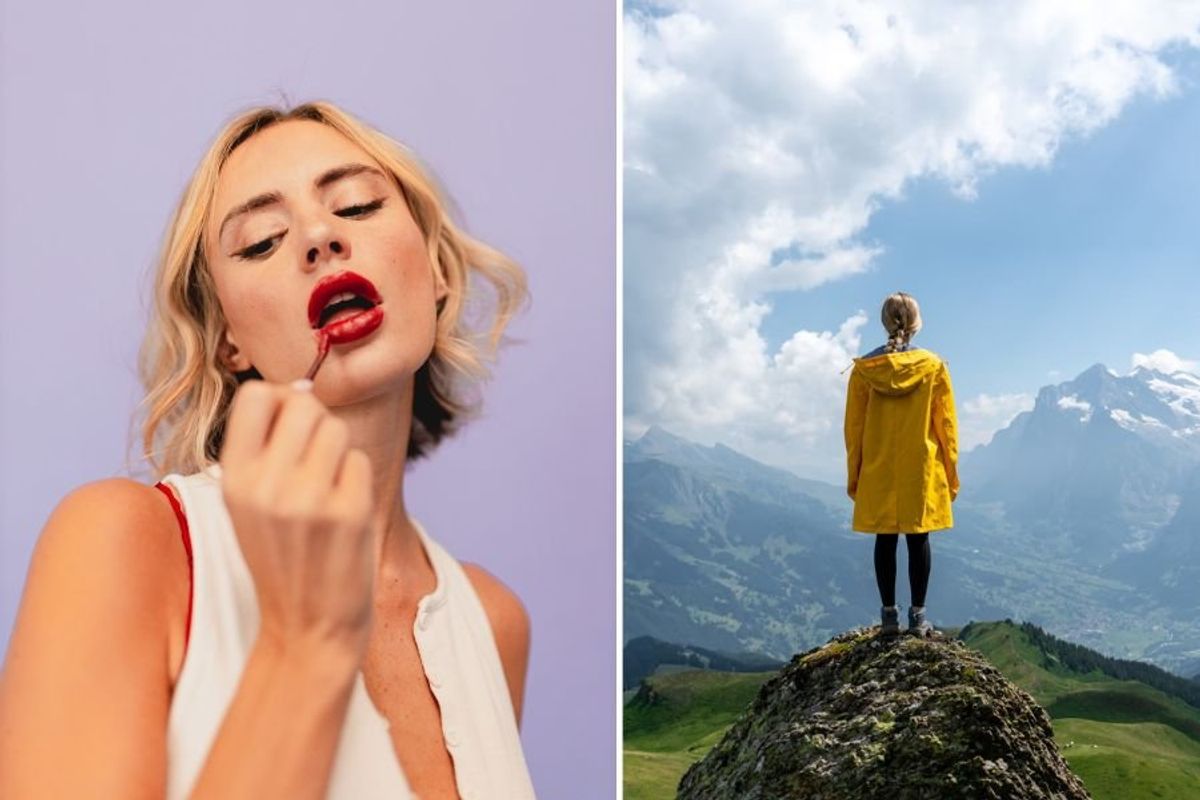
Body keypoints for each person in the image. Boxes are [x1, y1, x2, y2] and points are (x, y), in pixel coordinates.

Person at [0, 100, 536, 799]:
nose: (319, 236)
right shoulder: (122, 543)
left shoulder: (493, 622)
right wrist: (302, 642)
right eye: (261, 242)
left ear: (436, 271)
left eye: (357, 205)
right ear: (229, 341)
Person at [843, 292, 959, 639]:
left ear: (884, 322)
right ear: (916, 324)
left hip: (878, 465)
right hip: (920, 467)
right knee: (918, 537)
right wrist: (951, 474)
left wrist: (856, 475)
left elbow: (853, 429)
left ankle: (889, 617)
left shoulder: (865, 371)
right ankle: (919, 617)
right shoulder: (934, 366)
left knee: (885, 537)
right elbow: (947, 428)